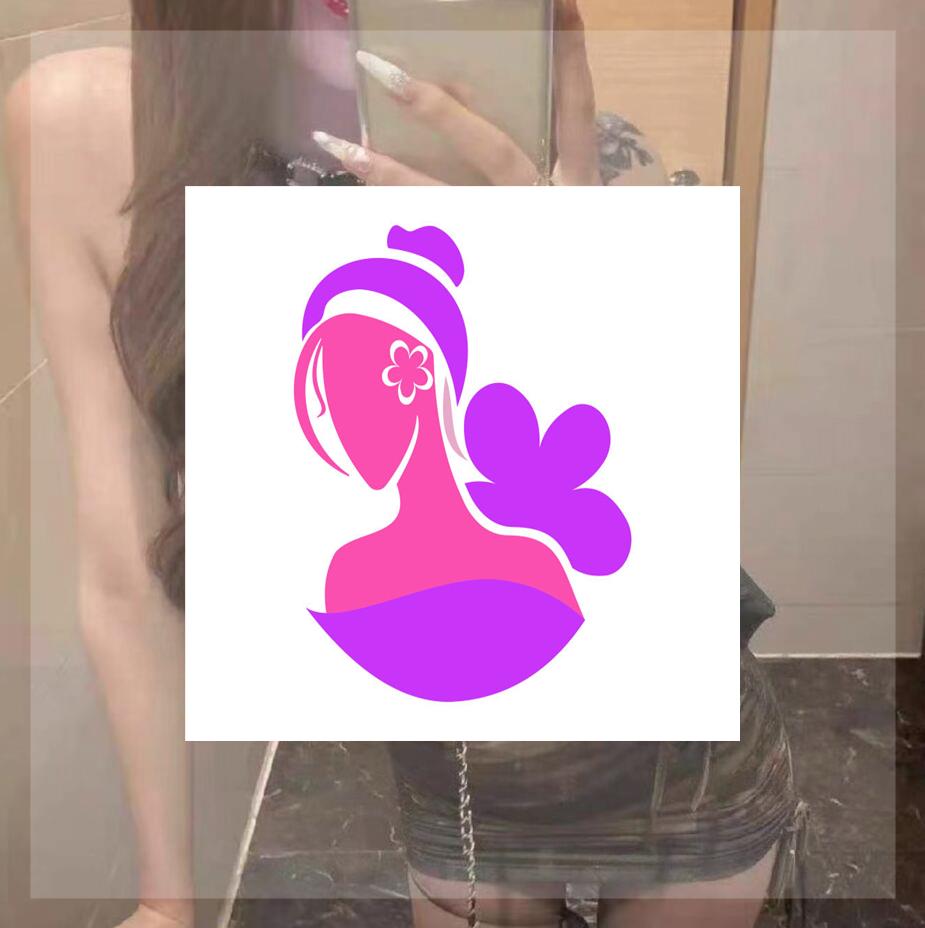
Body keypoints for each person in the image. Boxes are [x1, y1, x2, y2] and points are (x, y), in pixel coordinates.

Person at [4, 2, 802, 926]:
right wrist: (166, 904)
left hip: (683, 771)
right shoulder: (94, 127)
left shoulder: (587, 155)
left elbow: (636, 537)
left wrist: (567, 280)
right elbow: (122, 569)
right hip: (453, 791)